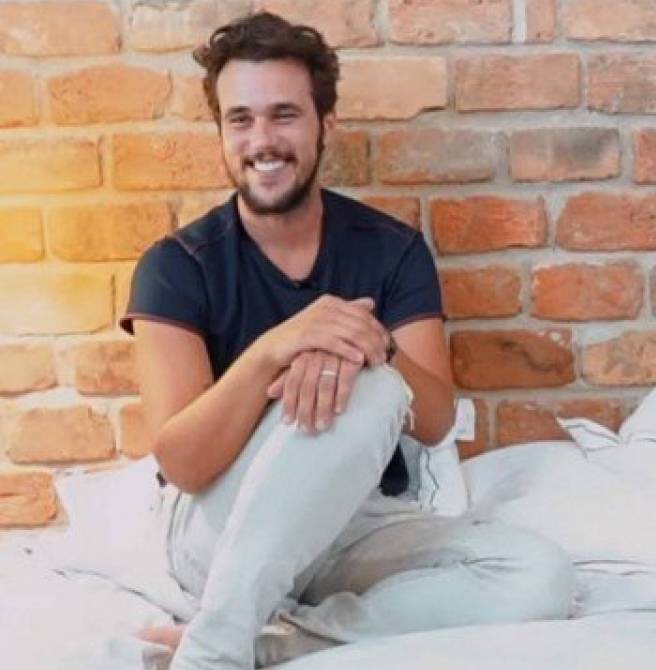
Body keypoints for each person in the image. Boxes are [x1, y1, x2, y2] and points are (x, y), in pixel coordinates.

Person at [122, 13, 571, 669]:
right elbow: (185, 464)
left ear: (325, 125)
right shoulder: (176, 265)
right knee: (366, 384)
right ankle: (215, 651)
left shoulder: (391, 250)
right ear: (221, 131)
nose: (262, 140)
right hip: (220, 527)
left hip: (350, 522)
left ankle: (275, 641)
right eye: (241, 119)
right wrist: (277, 348)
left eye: (284, 115)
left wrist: (372, 347)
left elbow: (435, 421)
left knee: (537, 574)